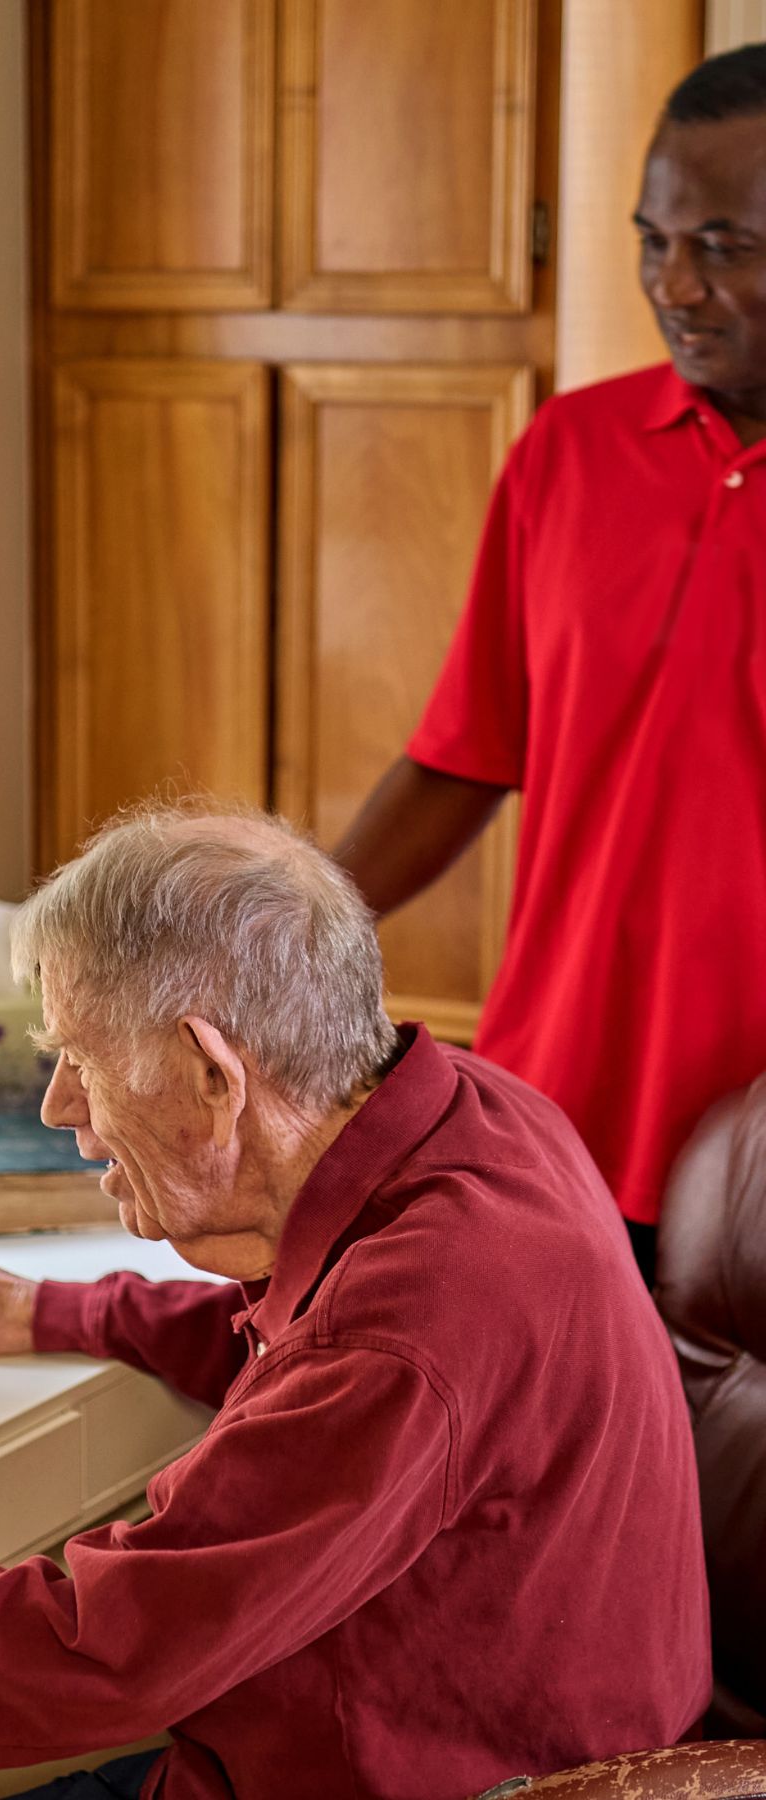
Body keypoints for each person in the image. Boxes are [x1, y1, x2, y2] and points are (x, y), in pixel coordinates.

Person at [0, 806, 709, 1800]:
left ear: (216, 1078)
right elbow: (324, 1351)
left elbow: (66, 1662)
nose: (60, 1103)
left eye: (78, 1058)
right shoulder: (472, 1110)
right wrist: (74, 1313)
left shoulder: (409, 1331)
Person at [336, 41, 766, 1289]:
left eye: (725, 247)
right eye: (654, 241)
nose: (674, 286)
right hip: (555, 1105)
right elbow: (463, 757)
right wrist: (280, 929)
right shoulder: (568, 454)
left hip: (753, 1145)